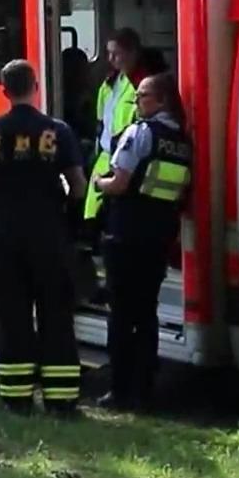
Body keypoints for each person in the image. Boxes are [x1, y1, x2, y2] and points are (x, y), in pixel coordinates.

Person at [0, 60, 86, 416]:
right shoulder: (58, 131)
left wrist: (4, 189)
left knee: (13, 317)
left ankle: (17, 399)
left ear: (4, 90)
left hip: (5, 236)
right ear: (35, 87)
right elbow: (78, 185)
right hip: (49, 235)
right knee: (57, 316)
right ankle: (61, 400)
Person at [92, 73, 192, 413]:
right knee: (146, 315)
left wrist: (98, 183)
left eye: (143, 96)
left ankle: (119, 391)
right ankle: (145, 389)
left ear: (161, 100)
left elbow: (119, 183)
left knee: (120, 315)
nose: (137, 102)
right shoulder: (182, 141)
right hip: (158, 236)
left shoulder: (141, 133)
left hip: (126, 234)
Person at [83, 29, 149, 223]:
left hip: (127, 158)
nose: (111, 59)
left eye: (116, 53)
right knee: (93, 213)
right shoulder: (110, 83)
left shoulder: (143, 85)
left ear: (133, 53)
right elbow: (101, 121)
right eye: (108, 53)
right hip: (105, 155)